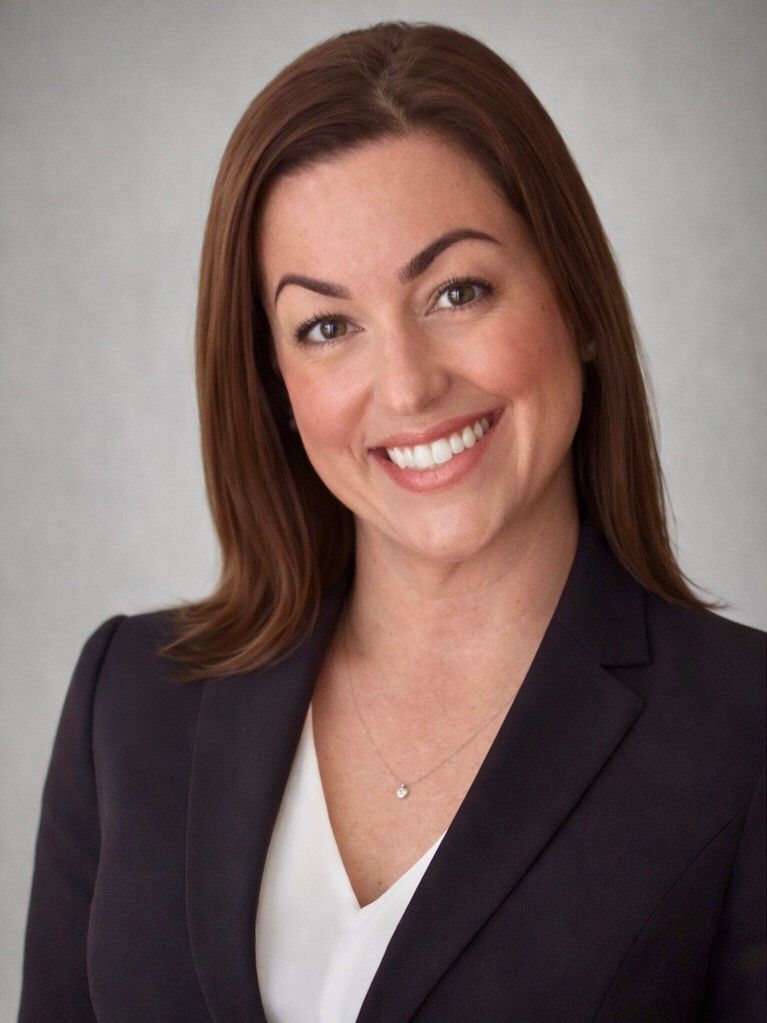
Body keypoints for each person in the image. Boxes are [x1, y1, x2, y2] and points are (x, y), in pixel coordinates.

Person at [18, 21, 765, 1023]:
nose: (408, 387)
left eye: (456, 291)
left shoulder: (741, 734)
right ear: (276, 386)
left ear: (576, 301)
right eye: (327, 326)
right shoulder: (129, 705)